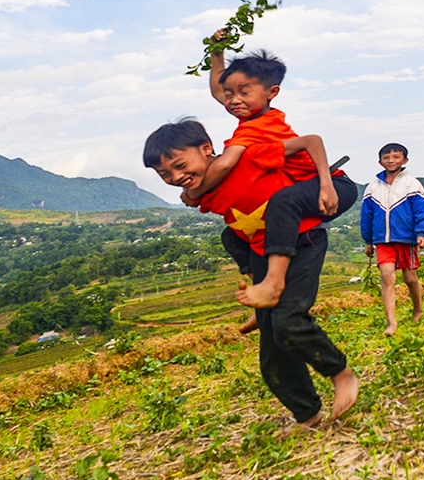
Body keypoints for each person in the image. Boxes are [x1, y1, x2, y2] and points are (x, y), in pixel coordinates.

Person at [144, 118, 359, 427]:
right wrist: (191, 194)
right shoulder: (201, 191)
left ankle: (341, 373)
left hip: (302, 240)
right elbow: (204, 196)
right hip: (264, 251)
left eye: (180, 165)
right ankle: (308, 414)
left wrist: (325, 183)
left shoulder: (249, 157)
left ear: (207, 149)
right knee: (272, 353)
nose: (176, 176)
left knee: (289, 323)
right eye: (165, 174)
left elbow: (307, 145)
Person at [190, 47, 359, 313]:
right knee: (232, 235)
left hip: (333, 185)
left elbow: (223, 164)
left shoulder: (258, 128)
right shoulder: (250, 114)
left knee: (283, 201)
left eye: (243, 92)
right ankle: (261, 298)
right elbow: (217, 89)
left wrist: (191, 193)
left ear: (272, 93)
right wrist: (217, 55)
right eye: (230, 94)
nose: (233, 100)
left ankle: (273, 284)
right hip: (309, 187)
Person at [360, 143, 424, 336]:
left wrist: (421, 233)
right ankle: (391, 323)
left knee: (410, 278)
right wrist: (368, 241)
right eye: (386, 157)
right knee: (387, 276)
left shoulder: (413, 184)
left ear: (405, 160)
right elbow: (366, 216)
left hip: (406, 239)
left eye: (396, 157)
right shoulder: (372, 188)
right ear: (380, 161)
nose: (391, 160)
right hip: (382, 241)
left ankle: (417, 309)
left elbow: (421, 211)